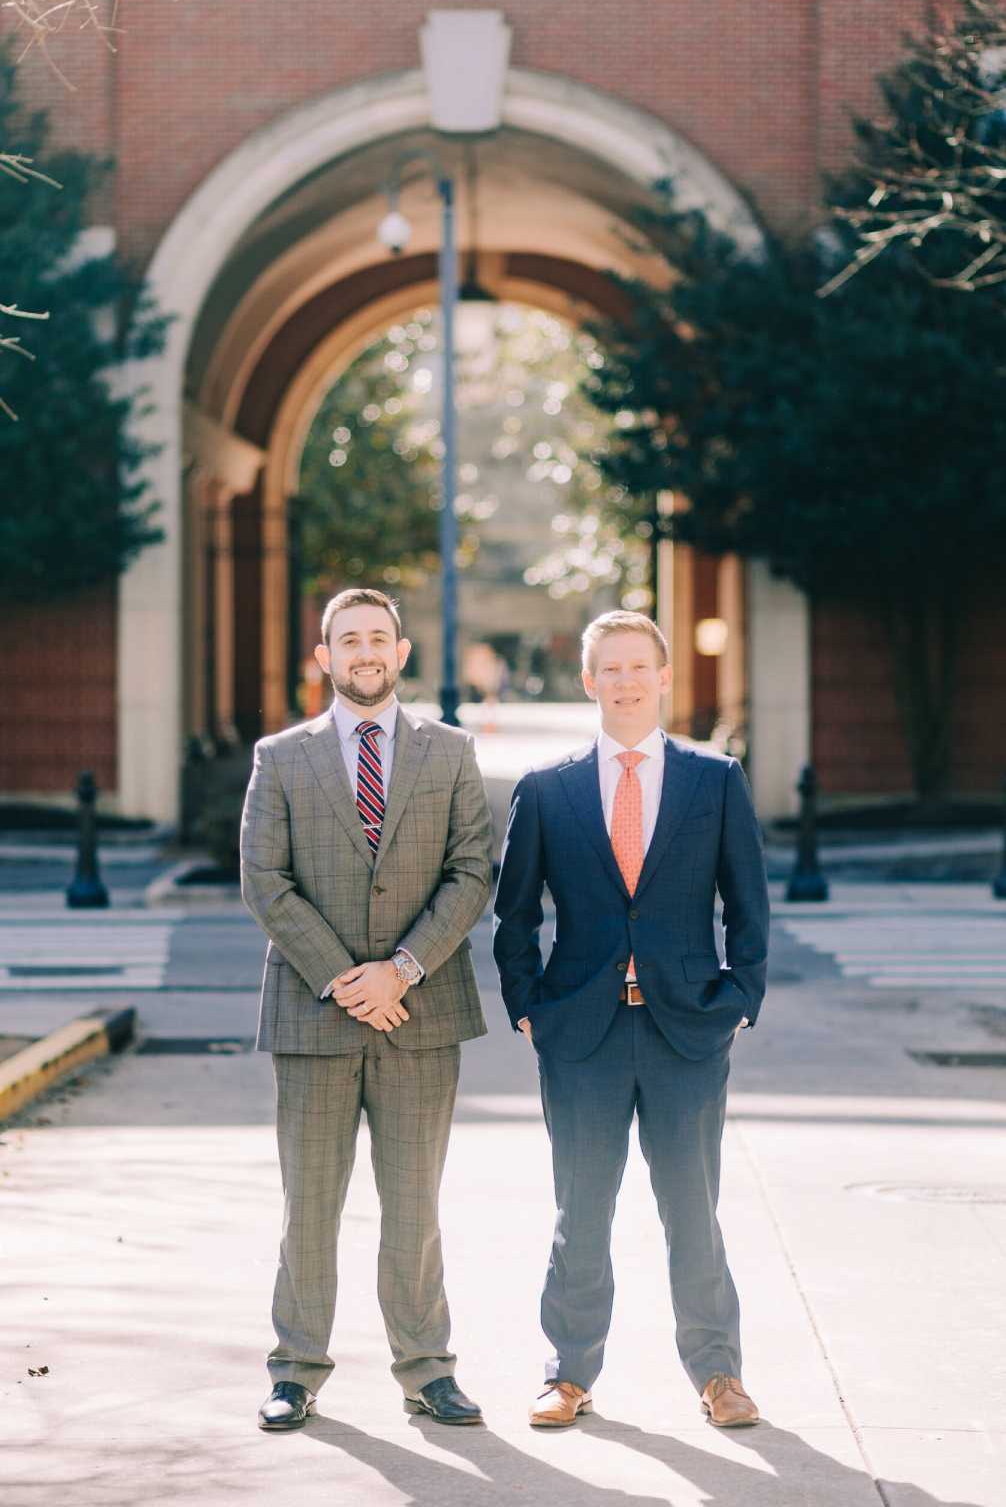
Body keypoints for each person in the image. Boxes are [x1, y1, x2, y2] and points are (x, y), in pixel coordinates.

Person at [493, 609, 769, 1429]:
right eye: (607, 669)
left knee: (693, 1209)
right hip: (582, 1034)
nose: (623, 681)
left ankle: (719, 1375)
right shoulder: (547, 789)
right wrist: (527, 1010)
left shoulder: (713, 779)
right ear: (589, 682)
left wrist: (740, 1000)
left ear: (663, 676)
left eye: (636, 666)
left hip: (688, 1028)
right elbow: (514, 917)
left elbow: (747, 902)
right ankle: (568, 1374)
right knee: (582, 1210)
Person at [241, 587, 492, 1431]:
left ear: (402, 650)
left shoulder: (451, 751)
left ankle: (427, 1368)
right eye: (348, 640)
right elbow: (264, 882)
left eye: (378, 638)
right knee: (309, 1203)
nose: (364, 652)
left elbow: (471, 873)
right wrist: (349, 977)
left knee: (414, 1202)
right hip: (315, 1015)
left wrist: (404, 969)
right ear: (324, 658)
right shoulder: (281, 757)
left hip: (421, 1013)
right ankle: (295, 1370)